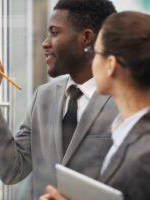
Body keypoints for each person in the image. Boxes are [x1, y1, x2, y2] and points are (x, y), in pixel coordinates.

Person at [0, 0, 118, 198]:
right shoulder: (43, 97)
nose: (45, 43)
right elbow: (12, 169)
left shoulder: (122, 100)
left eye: (54, 32)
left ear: (86, 37)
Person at [40, 11, 150, 200]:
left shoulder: (143, 156)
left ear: (111, 64)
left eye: (94, 53)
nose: (91, 61)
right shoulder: (127, 133)